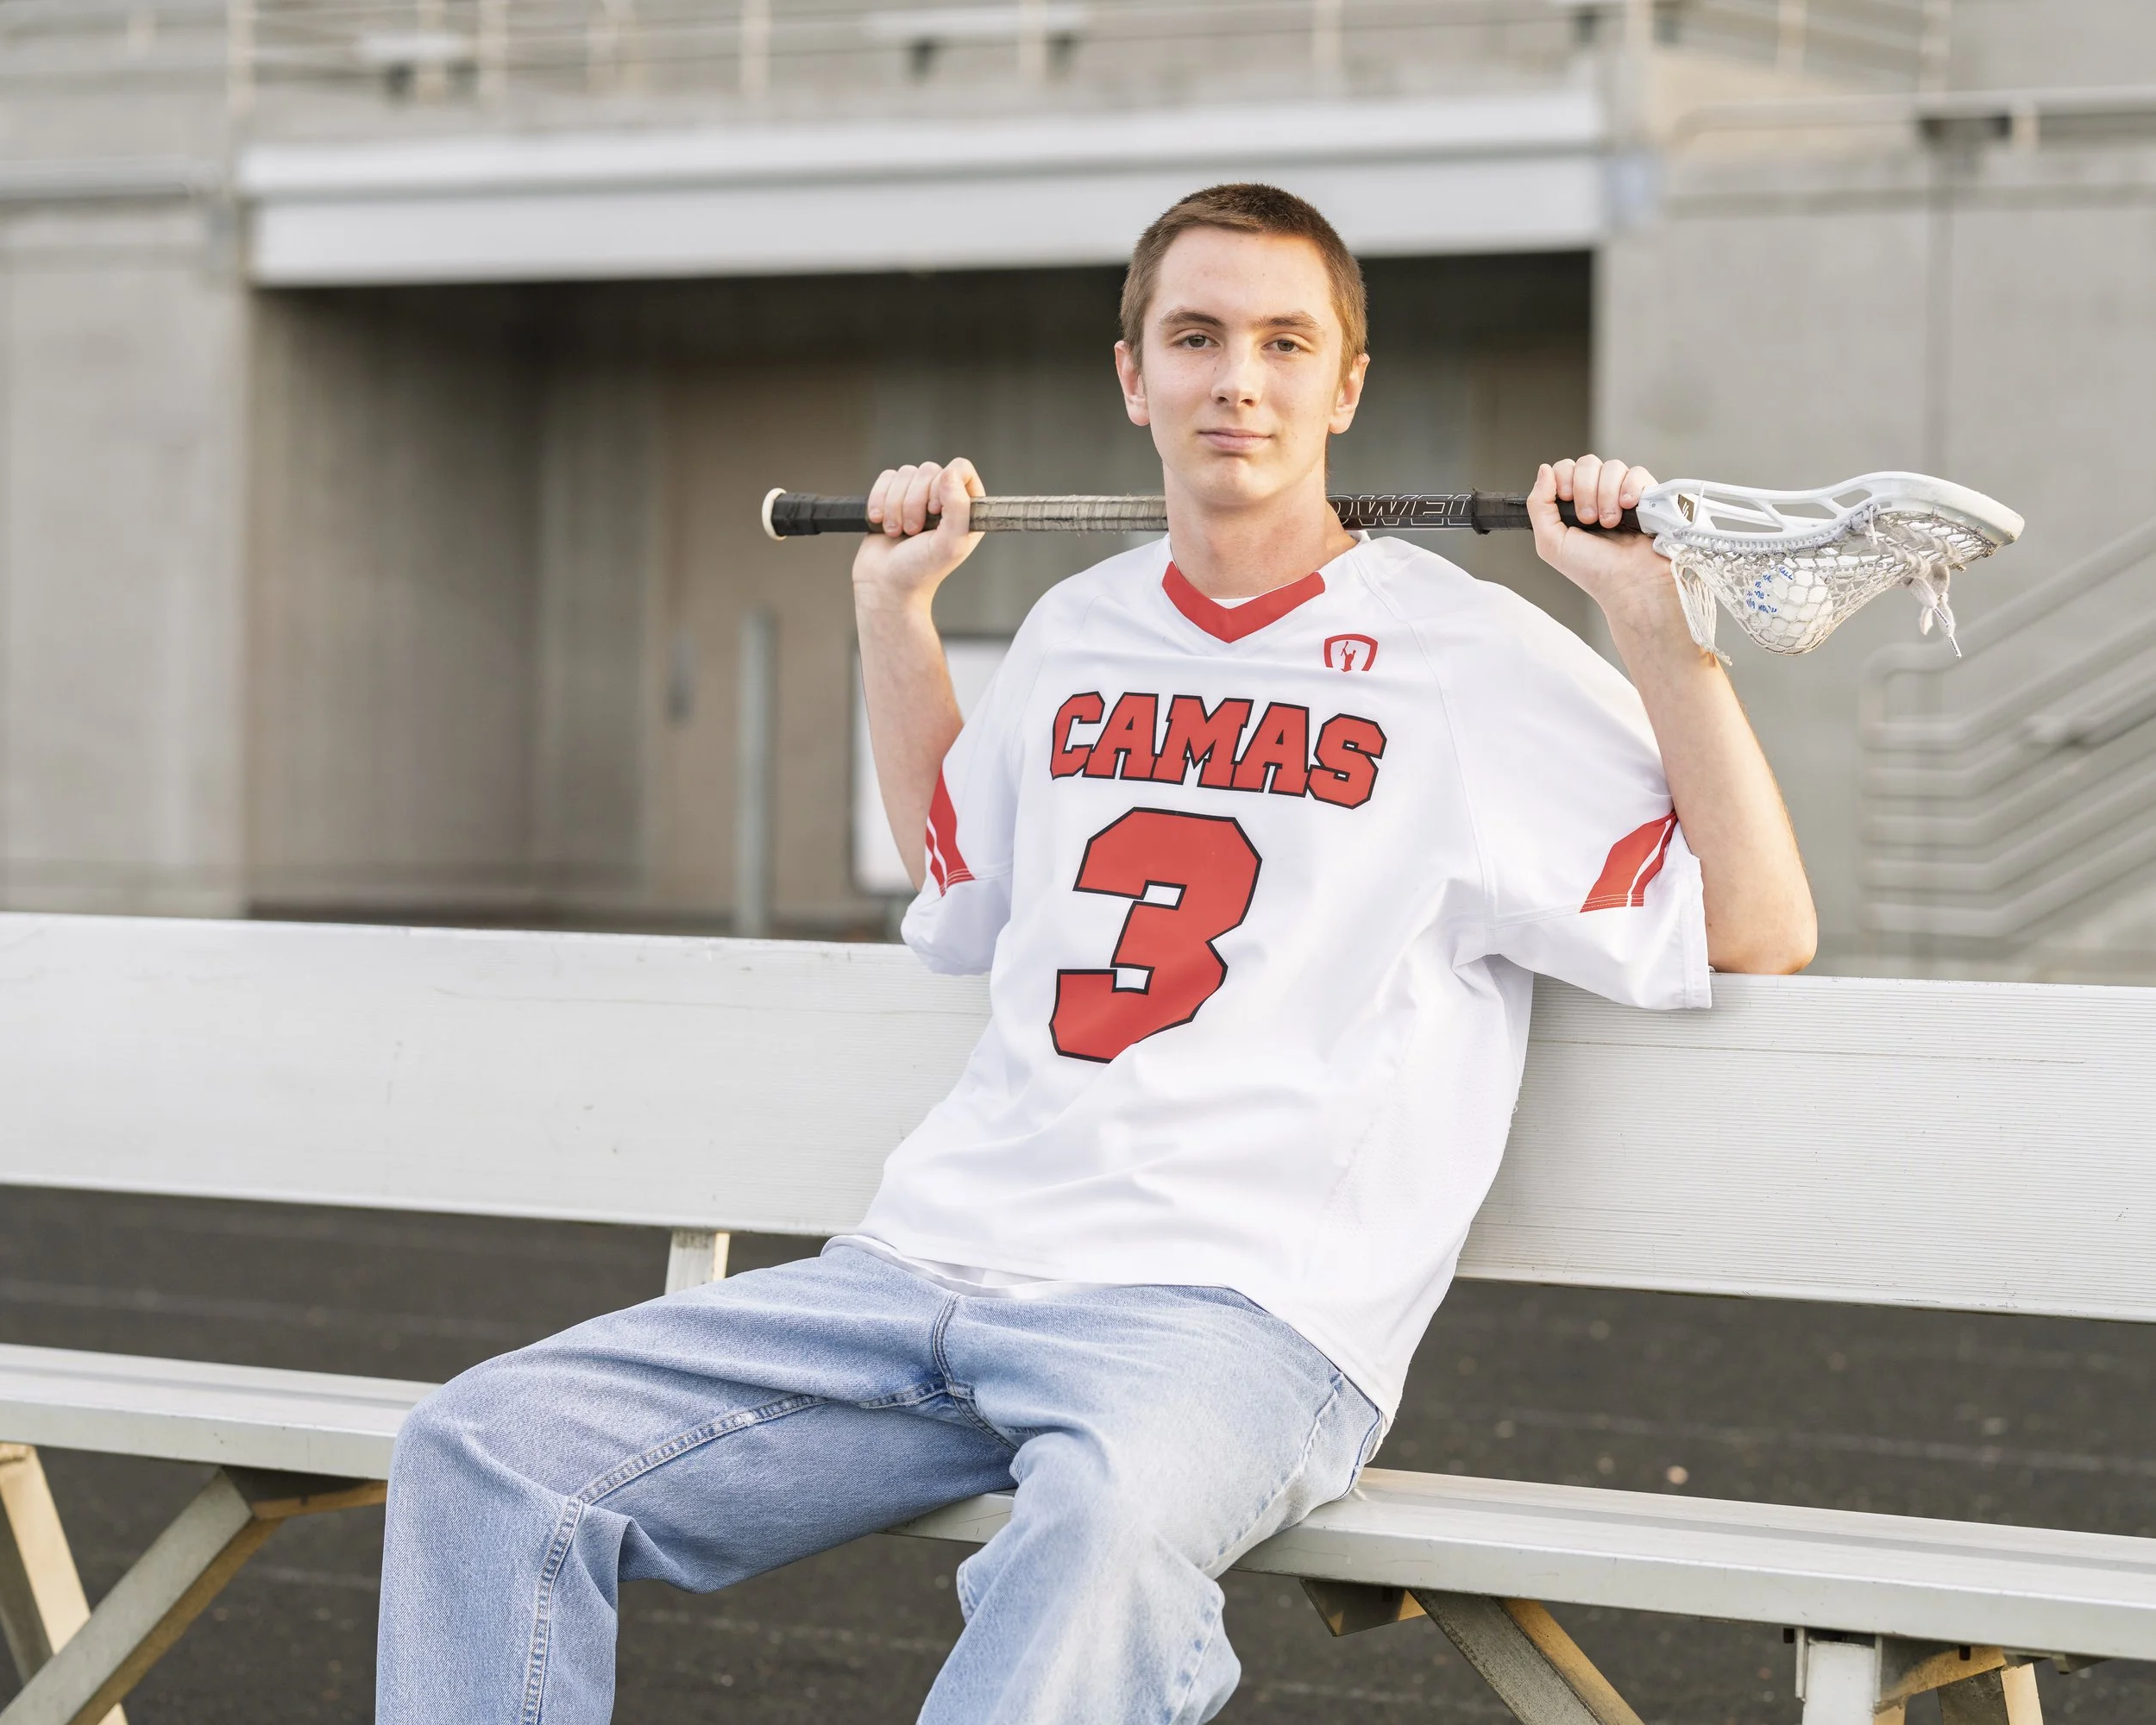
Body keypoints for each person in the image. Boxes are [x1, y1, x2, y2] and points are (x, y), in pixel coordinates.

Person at [374, 183, 1814, 1725]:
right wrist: (894, 612)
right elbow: (964, 890)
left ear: (1348, 385)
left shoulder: (1467, 655)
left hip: (1228, 1319)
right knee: (487, 1450)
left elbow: (1758, 928)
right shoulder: (1074, 624)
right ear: (1134, 378)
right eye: (1193, 338)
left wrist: (1656, 624)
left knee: (1103, 1541)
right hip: (921, 1269)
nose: (1237, 380)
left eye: (1283, 341)